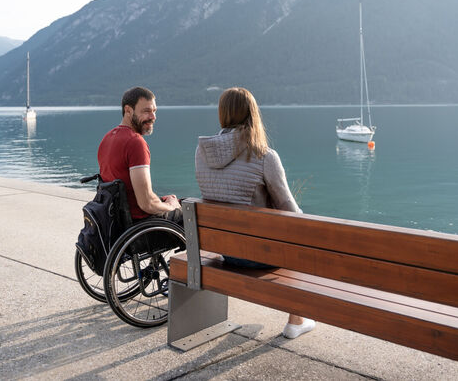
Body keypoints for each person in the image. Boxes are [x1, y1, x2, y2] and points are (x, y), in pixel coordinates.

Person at [195, 87, 315, 339]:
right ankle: (296, 320)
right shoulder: (264, 156)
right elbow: (291, 212)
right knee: (300, 236)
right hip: (255, 255)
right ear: (253, 114)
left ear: (222, 115)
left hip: (224, 249)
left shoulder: (202, 153)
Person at [98, 86, 181, 224]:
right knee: (191, 215)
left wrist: (162, 200)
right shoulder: (135, 142)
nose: (153, 117)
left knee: (175, 201)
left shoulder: (107, 139)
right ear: (128, 110)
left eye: (154, 111)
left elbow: (135, 194)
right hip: (140, 225)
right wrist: (171, 206)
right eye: (147, 111)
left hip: (116, 221)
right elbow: (146, 204)